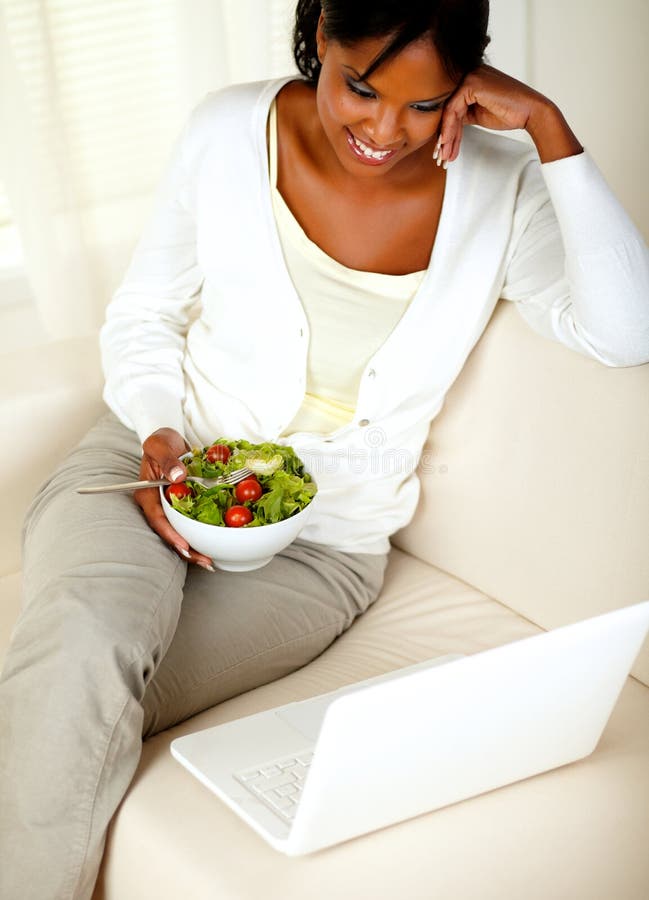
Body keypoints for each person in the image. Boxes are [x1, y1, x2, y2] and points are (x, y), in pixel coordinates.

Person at [1, 0, 648, 897]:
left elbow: (625, 331)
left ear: (467, 86)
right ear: (317, 43)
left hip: (321, 551)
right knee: (80, 655)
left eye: (423, 106)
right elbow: (145, 310)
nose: (384, 131)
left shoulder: (504, 187)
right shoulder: (231, 131)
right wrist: (157, 433)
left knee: (72, 702)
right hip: (149, 464)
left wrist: (550, 131)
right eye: (360, 88)